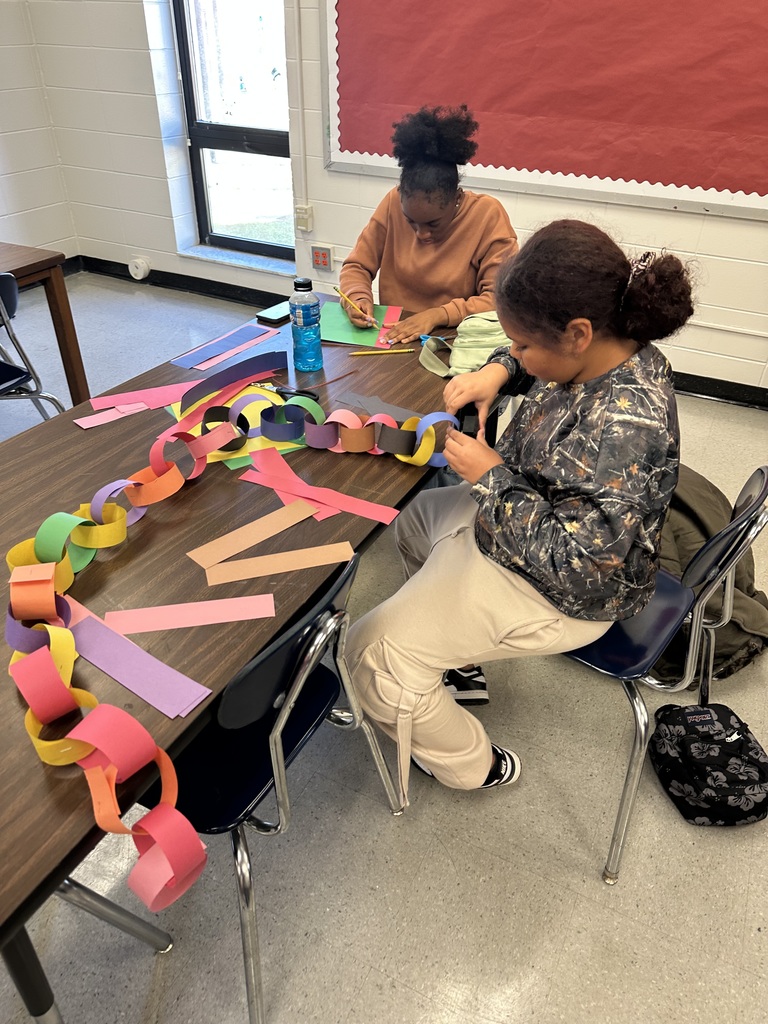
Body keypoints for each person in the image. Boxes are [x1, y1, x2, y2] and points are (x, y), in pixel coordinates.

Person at [343, 219, 694, 805]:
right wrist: (500, 370)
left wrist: (491, 479)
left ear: (576, 334)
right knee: (412, 518)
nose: (519, 353)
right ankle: (450, 658)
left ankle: (474, 765)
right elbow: (538, 354)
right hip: (521, 514)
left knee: (371, 656)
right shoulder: (604, 344)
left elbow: (581, 567)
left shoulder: (625, 426)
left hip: (568, 592)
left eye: (524, 345)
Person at [338, 105, 518, 345]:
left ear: (456, 198)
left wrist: (437, 315)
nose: (422, 234)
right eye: (410, 221)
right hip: (394, 333)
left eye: (433, 224)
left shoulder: (487, 215)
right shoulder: (392, 202)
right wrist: (357, 297)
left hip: (452, 338)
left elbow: (500, 300)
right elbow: (357, 266)